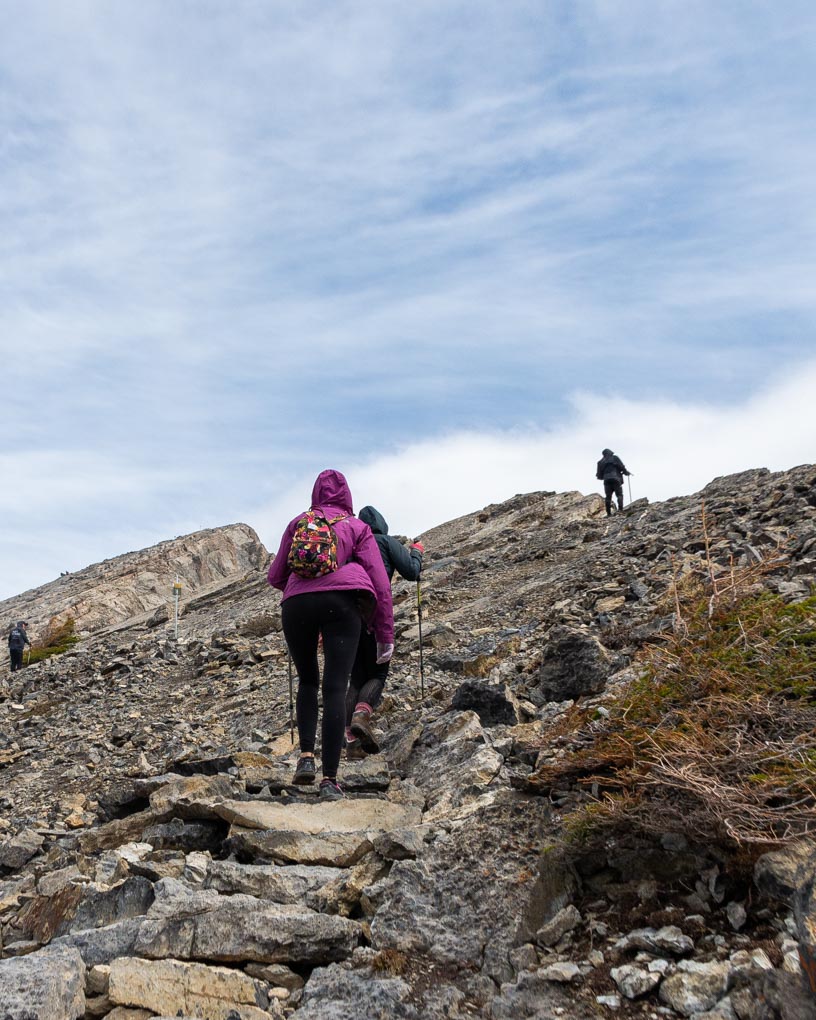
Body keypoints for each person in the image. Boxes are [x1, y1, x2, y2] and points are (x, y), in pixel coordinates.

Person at [268, 469, 394, 800]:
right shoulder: (358, 527)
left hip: (295, 605)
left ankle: (306, 758)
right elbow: (380, 584)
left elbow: (275, 575)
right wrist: (384, 634)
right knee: (336, 688)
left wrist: (301, 588)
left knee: (308, 680)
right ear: (347, 496)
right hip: (342, 605)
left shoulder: (299, 523)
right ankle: (329, 780)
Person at [345, 506, 424, 759]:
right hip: (377, 613)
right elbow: (412, 573)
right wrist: (417, 553)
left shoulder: (351, 544)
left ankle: (351, 741)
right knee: (378, 671)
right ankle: (361, 714)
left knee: (356, 677)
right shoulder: (386, 542)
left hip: (348, 616)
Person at [596, 448, 632, 516]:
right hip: (616, 478)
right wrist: (626, 472)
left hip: (606, 480)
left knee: (608, 497)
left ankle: (609, 513)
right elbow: (622, 467)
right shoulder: (615, 458)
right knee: (619, 494)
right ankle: (620, 510)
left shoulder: (600, 462)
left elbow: (599, 476)